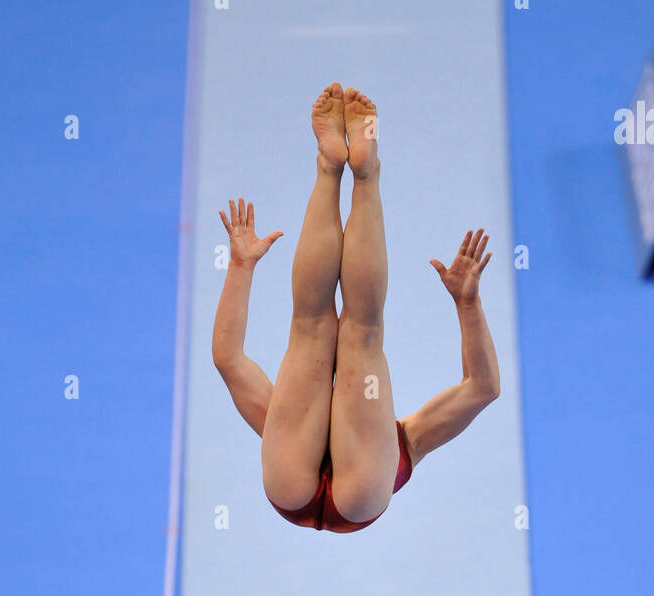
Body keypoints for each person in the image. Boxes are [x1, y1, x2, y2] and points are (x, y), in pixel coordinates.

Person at [211, 83, 500, 533]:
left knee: (339, 330)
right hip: (339, 488)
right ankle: (345, 170)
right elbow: (484, 388)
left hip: (314, 479)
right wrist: (468, 305)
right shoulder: (409, 439)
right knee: (334, 330)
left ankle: (341, 170)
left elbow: (483, 389)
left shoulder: (408, 439)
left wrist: (240, 267)